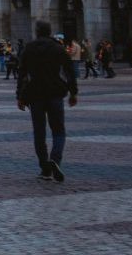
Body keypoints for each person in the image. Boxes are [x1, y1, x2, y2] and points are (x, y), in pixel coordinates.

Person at [17, 21, 79, 182]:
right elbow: (70, 71)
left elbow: (22, 74)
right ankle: (55, 160)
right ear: (50, 31)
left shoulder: (28, 48)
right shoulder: (58, 48)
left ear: (36, 32)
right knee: (58, 131)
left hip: (35, 94)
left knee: (39, 133)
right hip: (55, 93)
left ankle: (45, 169)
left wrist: (20, 96)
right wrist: (73, 92)